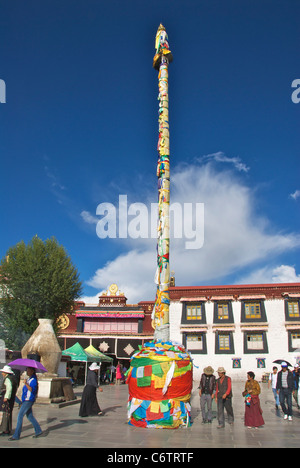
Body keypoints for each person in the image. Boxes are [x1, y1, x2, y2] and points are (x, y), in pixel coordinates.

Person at [9, 367, 43, 441]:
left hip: (29, 400)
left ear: (32, 371)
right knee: (30, 416)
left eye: (28, 370)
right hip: (26, 400)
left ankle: (16, 435)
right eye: (26, 370)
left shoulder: (33, 380)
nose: (27, 372)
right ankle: (38, 430)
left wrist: (26, 383)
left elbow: (32, 389)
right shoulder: (29, 379)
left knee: (20, 416)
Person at [0, 365, 18, 436]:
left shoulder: (8, 379)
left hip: (6, 399)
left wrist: (6, 397)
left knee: (5, 413)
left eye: (3, 372)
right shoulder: (13, 378)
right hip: (11, 399)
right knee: (8, 413)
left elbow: (9, 388)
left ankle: (5, 430)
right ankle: (7, 429)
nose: (2, 374)